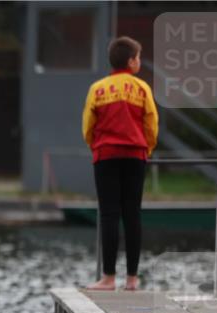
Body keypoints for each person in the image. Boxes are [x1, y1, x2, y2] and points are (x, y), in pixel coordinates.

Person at [82, 36, 159, 291]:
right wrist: (146, 147)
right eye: (138, 57)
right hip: (135, 156)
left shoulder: (98, 89)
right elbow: (151, 124)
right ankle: (133, 279)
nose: (139, 61)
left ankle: (108, 278)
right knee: (132, 214)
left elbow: (87, 127)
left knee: (109, 214)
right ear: (131, 61)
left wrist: (96, 146)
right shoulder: (142, 88)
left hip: (106, 156)